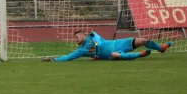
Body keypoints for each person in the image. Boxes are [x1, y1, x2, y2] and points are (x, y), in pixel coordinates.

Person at [41, 30, 172, 62]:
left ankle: (161, 48)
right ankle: (140, 54)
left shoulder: (92, 35)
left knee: (142, 40)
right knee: (115, 55)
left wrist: (96, 54)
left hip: (117, 43)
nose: (75, 40)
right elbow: (69, 57)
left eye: (76, 37)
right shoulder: (81, 50)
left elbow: (99, 43)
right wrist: (54, 59)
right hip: (111, 54)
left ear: (82, 35)